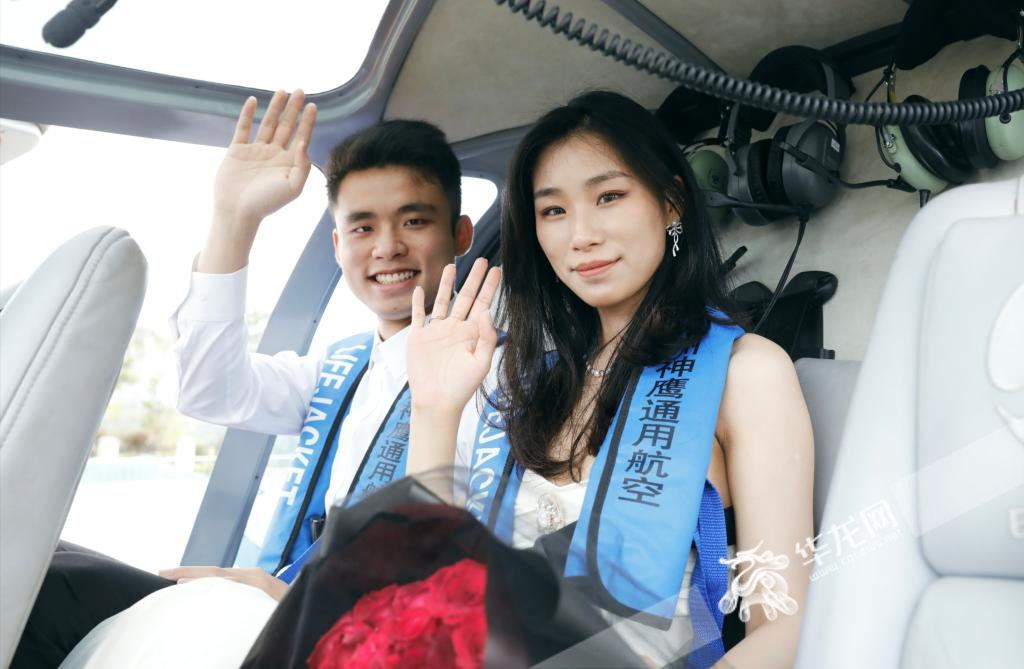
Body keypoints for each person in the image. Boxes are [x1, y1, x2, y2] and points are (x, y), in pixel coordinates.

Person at [12, 89, 492, 668]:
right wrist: (234, 218)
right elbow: (209, 388)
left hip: (350, 633)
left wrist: (307, 604)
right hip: (274, 601)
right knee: (39, 575)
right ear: (338, 246)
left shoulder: (495, 373)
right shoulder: (340, 369)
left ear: (461, 234)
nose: (387, 247)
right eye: (362, 229)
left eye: (414, 220)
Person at [406, 91, 815, 668]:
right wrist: (435, 409)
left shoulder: (746, 372)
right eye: (554, 211)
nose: (581, 235)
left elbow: (783, 624)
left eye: (609, 196)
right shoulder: (531, 385)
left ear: (671, 203)